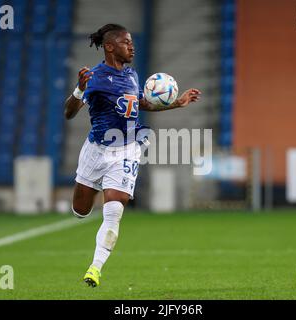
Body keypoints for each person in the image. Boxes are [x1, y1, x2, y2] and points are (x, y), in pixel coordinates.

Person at [64, 23, 201, 287]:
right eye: (126, 42)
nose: (132, 46)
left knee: (114, 211)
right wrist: (79, 90)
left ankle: (95, 268)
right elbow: (69, 113)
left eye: (132, 42)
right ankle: (88, 213)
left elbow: (141, 102)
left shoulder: (132, 75)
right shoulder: (95, 78)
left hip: (127, 149)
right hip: (96, 150)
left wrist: (176, 102)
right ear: (110, 46)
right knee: (80, 211)